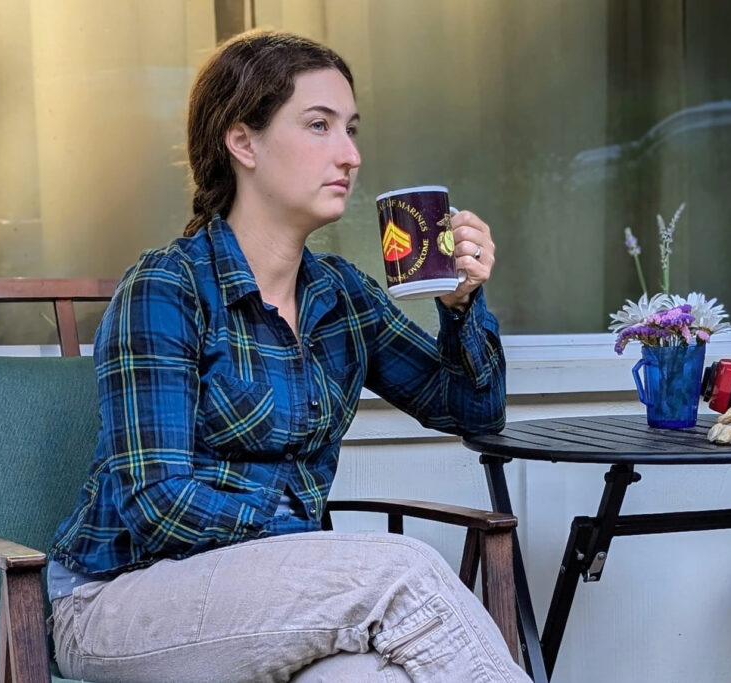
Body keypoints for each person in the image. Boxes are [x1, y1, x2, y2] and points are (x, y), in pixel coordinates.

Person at [47, 28, 527, 683]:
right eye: (320, 125)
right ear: (243, 142)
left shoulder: (341, 296)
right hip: (117, 603)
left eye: (352, 129)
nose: (350, 154)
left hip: (263, 602)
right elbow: (156, 502)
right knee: (401, 570)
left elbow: (474, 407)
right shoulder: (168, 287)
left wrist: (461, 303)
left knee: (373, 678)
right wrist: (310, 547)